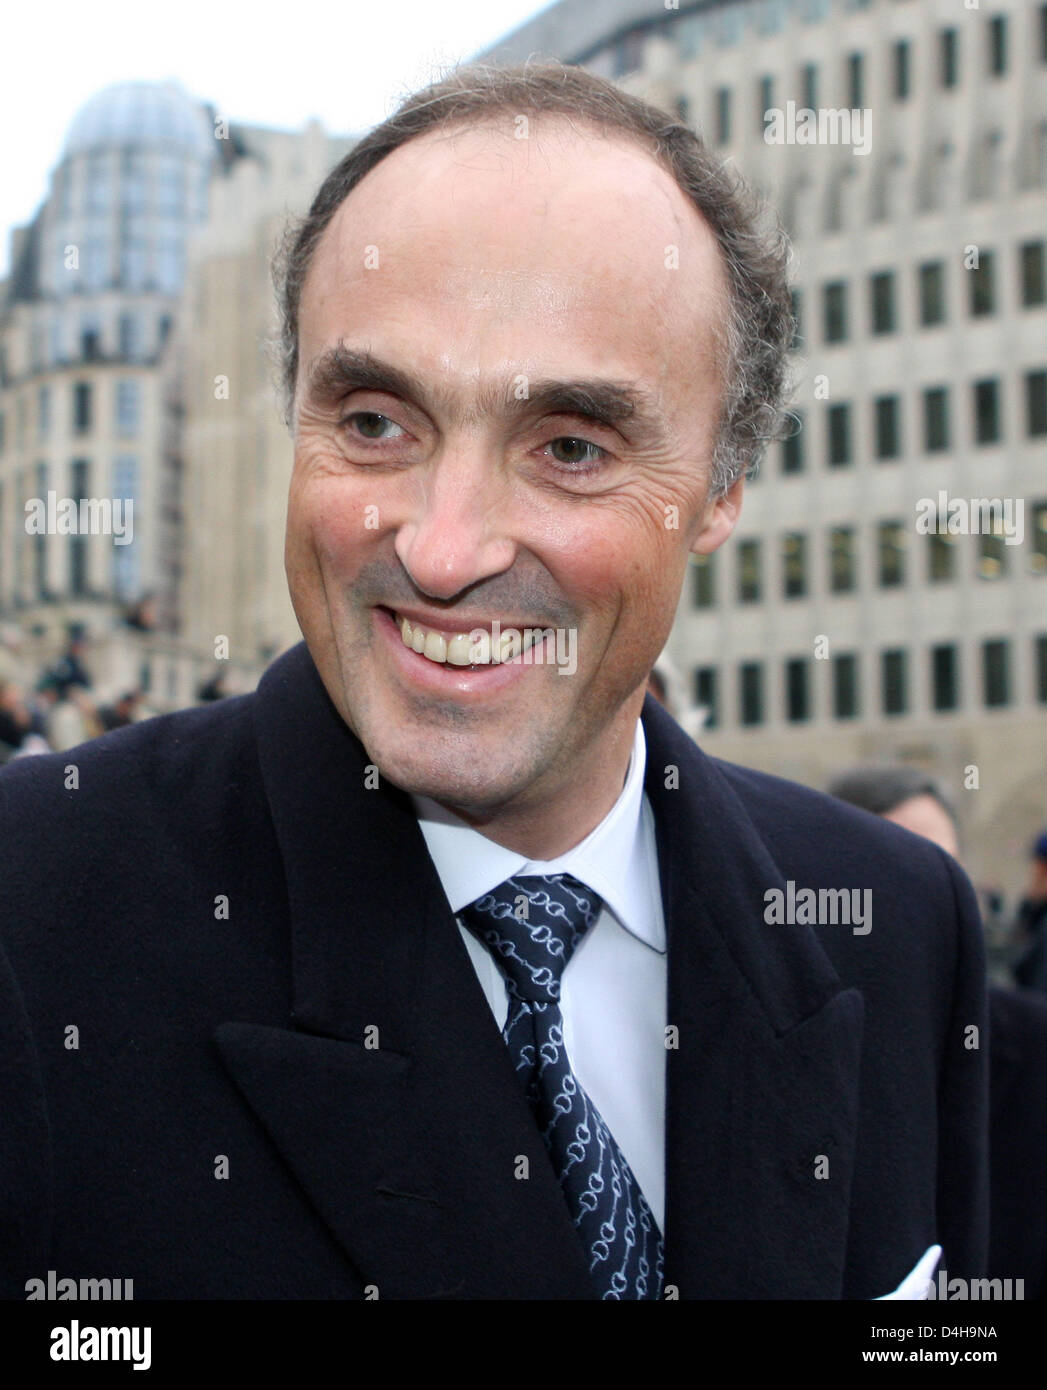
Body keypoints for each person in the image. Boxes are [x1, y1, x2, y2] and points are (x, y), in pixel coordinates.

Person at [0, 61, 987, 1301]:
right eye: (374, 422)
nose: (443, 547)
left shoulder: (895, 919)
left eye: (570, 447)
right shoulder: (34, 912)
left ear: (724, 486)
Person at [828, 765, 1047, 1300]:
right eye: (893, 872)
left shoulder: (1037, 1049)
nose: (928, 897)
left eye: (942, 868)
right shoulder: (776, 1066)